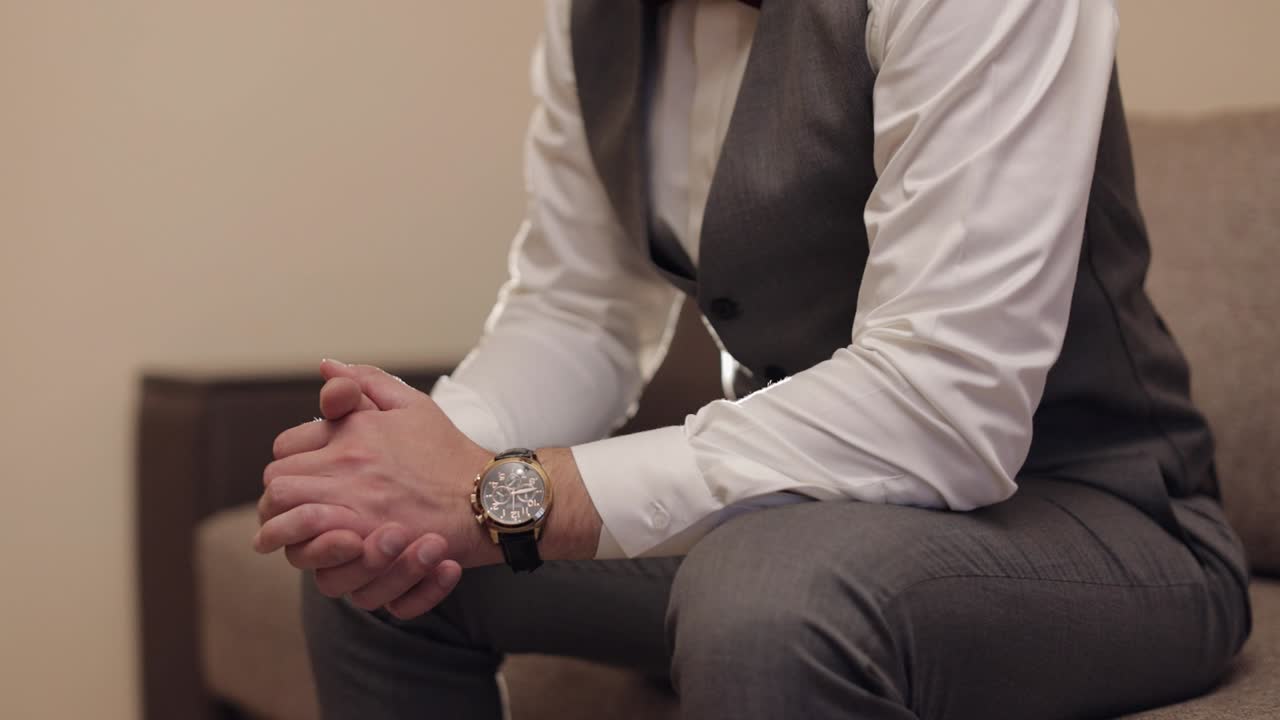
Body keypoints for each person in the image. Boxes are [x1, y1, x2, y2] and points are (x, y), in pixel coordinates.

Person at [253, 1, 1252, 717]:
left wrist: (500, 493)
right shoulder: (590, 20)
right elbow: (578, 309)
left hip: (1093, 517)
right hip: (794, 509)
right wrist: (408, 472)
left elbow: (943, 406)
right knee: (369, 555)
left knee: (768, 600)